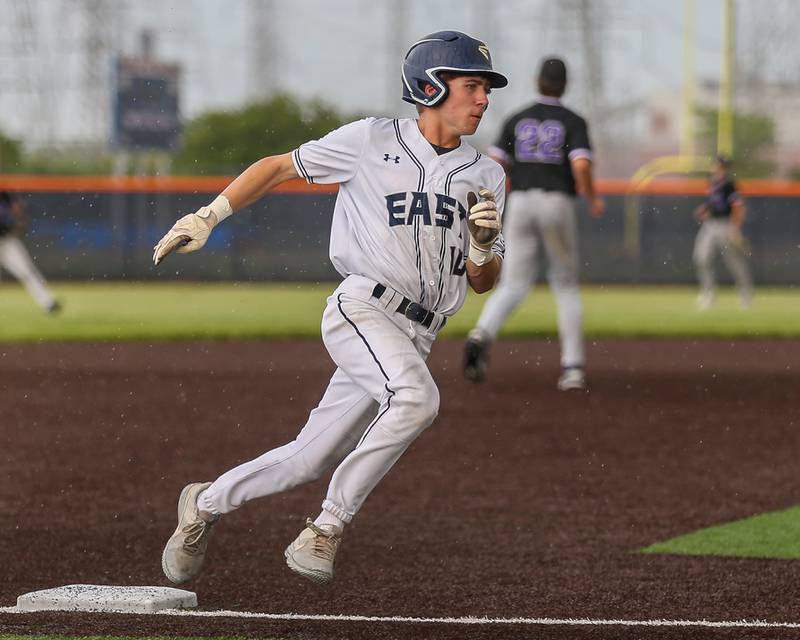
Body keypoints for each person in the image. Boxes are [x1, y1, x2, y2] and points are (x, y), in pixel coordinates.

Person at [153, 31, 507, 586]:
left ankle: (203, 503)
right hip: (362, 308)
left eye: (486, 88)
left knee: (308, 458)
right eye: (472, 85)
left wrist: (484, 245)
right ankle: (327, 527)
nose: (484, 98)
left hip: (421, 331)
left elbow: (484, 282)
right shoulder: (371, 139)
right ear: (430, 85)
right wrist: (208, 217)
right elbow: (277, 167)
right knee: (417, 401)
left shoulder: (487, 175)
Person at [462, 57, 604, 391]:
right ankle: (572, 368)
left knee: (513, 283)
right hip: (557, 200)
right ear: (565, 84)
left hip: (521, 200)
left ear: (538, 80)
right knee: (565, 285)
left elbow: (496, 162)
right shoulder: (572, 120)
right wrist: (593, 197)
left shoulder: (518, 117)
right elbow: (581, 165)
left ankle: (481, 334)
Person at [693, 155, 752, 310]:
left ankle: (745, 295)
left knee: (734, 262)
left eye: (718, 166)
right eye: (715, 165)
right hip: (710, 225)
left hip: (725, 225)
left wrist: (735, 228)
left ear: (724, 168)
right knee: (701, 258)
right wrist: (705, 210)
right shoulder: (712, 182)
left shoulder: (730, 185)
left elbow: (739, 206)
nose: (715, 168)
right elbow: (714, 203)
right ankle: (708, 295)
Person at [0, 191, 60, 314]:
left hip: (7, 241)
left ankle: (48, 303)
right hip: (7, 239)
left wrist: (19, 220)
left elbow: (17, 210)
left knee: (27, 272)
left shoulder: (4, 194)